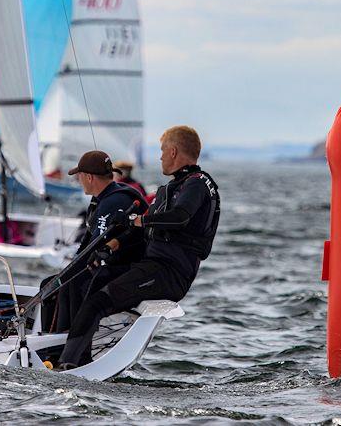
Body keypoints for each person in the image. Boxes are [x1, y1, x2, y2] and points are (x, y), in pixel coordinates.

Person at [55, 125, 220, 369]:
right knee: (86, 283)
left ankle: (69, 366)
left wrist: (137, 219)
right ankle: (71, 355)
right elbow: (143, 229)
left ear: (173, 152)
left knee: (97, 302)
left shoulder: (197, 184)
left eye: (163, 150)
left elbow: (180, 217)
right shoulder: (173, 187)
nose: (160, 156)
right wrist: (114, 243)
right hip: (150, 266)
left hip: (169, 273)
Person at [41, 150, 148, 333]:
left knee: (73, 283)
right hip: (113, 265)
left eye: (79, 176)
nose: (78, 180)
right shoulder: (101, 198)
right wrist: (66, 271)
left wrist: (69, 274)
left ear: (89, 177)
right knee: (50, 284)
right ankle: (50, 338)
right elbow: (87, 244)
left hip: (128, 268)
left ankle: (69, 339)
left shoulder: (114, 201)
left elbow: (97, 245)